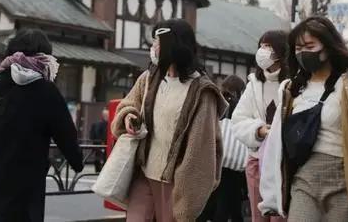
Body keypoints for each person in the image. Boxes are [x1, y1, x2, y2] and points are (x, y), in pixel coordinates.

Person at [259, 16, 348, 221]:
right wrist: (270, 196)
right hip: (303, 179)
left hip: (344, 180)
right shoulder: (291, 90)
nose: (303, 52)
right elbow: (275, 144)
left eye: (310, 45)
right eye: (298, 48)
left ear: (327, 47)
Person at [111, 19, 227, 222]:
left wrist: (187, 191)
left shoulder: (201, 90)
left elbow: (200, 148)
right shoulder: (149, 77)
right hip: (144, 171)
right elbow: (128, 104)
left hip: (174, 181)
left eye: (158, 41)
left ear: (175, 44)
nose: (153, 47)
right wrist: (129, 116)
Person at [0, 29, 83, 222]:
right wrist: (77, 161)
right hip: (26, 175)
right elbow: (64, 131)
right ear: (43, 55)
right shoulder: (44, 89)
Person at [231, 30, 287, 222]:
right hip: (256, 161)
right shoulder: (253, 84)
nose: (262, 51)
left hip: (283, 164)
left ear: (281, 52)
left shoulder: (292, 84)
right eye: (261, 46)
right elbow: (238, 119)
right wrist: (260, 130)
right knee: (258, 217)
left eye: (268, 47)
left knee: (281, 215)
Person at [198, 74, 249, 222]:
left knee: (215, 203)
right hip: (234, 166)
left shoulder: (217, 102)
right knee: (230, 205)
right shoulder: (242, 104)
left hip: (216, 161)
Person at [89, 108, 109, 172]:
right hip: (100, 143)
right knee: (100, 157)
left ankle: (99, 170)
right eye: (106, 115)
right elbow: (92, 135)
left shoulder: (96, 124)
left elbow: (91, 136)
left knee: (101, 157)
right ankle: (99, 170)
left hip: (100, 144)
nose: (107, 116)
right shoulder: (98, 124)